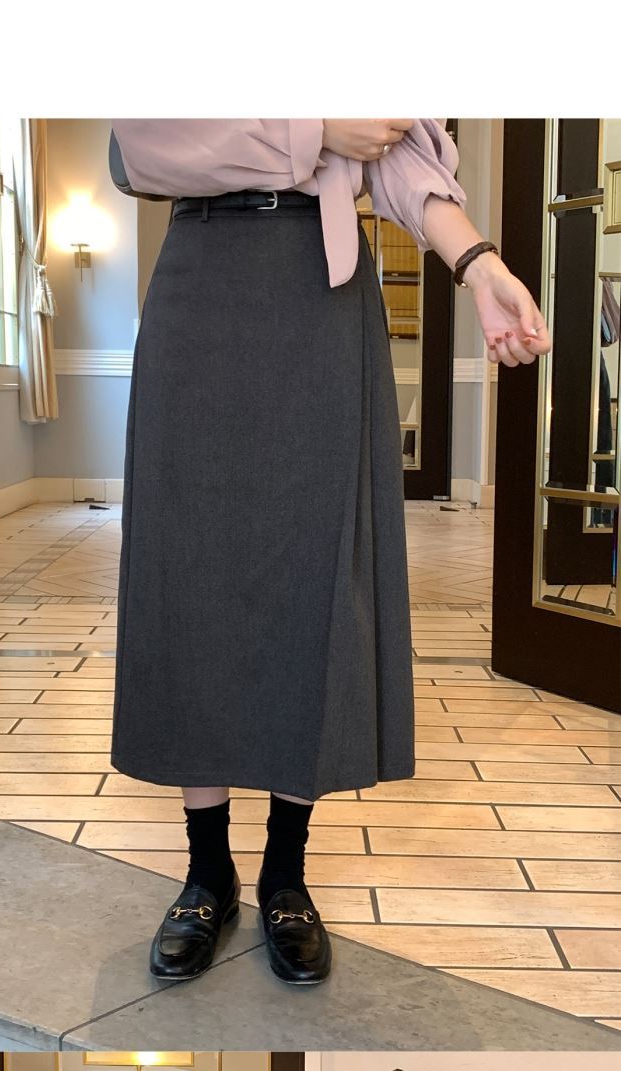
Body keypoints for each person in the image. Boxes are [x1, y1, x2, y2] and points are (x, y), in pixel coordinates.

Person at [108, 119, 550, 989]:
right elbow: (141, 146)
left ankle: (285, 872)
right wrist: (317, 129)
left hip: (321, 287)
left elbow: (402, 159)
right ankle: (206, 872)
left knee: (316, 566)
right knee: (190, 568)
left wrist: (479, 264)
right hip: (200, 279)